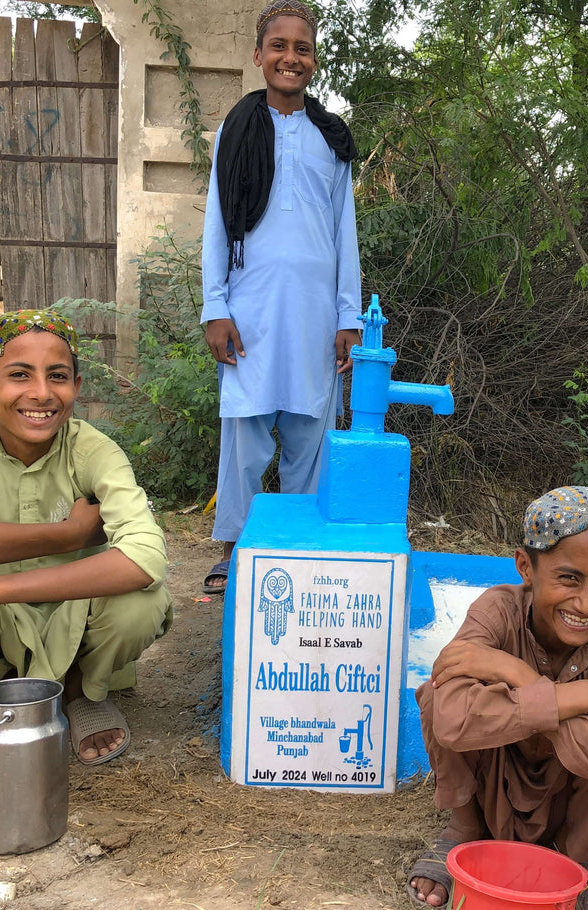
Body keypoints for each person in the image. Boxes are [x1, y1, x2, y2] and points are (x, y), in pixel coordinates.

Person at [0, 309, 173, 771]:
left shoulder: (93, 449)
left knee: (142, 603)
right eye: (19, 375)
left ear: (77, 386)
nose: (42, 394)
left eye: (58, 376)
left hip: (76, 608)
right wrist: (68, 533)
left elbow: (146, 556)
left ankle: (80, 692)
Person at [408, 486, 588, 910]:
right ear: (526, 567)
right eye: (568, 578)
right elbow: (449, 717)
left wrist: (519, 678)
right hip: (493, 772)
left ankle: (574, 854)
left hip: (568, 791)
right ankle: (464, 827)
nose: (586, 603)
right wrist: (587, 699)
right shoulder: (497, 611)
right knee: (436, 695)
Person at [199, 0, 362, 594]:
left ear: (315, 60)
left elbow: (345, 228)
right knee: (244, 433)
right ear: (259, 55)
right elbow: (218, 222)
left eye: (303, 48)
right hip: (250, 311)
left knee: (310, 432)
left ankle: (294, 546)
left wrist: (349, 315)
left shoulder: (331, 139)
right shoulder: (235, 132)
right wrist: (214, 306)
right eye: (279, 46)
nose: (290, 57)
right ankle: (235, 546)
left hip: (317, 315)